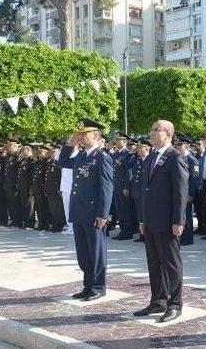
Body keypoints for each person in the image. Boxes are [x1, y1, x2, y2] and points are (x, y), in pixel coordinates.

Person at [134, 120, 189, 323]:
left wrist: (178, 220)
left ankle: (175, 304)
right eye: (151, 129)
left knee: (171, 263)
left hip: (167, 220)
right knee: (154, 261)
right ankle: (158, 300)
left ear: (167, 134)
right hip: (150, 219)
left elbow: (180, 192)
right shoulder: (150, 156)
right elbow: (144, 190)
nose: (151, 132)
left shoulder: (175, 157)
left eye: (155, 129)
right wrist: (142, 218)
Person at [59, 119, 114, 301]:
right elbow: (64, 161)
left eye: (85, 134)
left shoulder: (102, 157)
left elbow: (106, 187)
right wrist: (69, 144)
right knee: (83, 252)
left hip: (93, 213)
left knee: (96, 251)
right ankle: (88, 285)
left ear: (96, 136)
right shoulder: (81, 155)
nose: (81, 137)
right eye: (80, 134)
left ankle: (98, 287)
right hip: (79, 210)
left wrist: (103, 214)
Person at [111, 133, 134, 240]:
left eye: (119, 140)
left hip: (123, 186)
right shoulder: (116, 154)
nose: (116, 142)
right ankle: (122, 230)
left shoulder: (127, 154)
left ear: (124, 142)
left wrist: (126, 187)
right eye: (116, 140)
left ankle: (127, 232)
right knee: (119, 209)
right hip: (116, 185)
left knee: (125, 209)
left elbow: (128, 172)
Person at [130, 138, 150, 243]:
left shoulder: (149, 161)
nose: (137, 150)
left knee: (145, 215)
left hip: (145, 194)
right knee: (139, 214)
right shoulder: (137, 160)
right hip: (138, 193)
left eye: (140, 148)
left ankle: (147, 236)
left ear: (147, 149)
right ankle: (142, 235)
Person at [45, 146, 66, 232]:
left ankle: (59, 225)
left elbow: (60, 177)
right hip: (50, 189)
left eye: (54, 152)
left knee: (58, 208)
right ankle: (55, 224)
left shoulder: (59, 163)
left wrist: (60, 189)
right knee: (52, 208)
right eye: (51, 152)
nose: (52, 154)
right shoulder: (51, 162)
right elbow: (47, 177)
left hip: (56, 189)